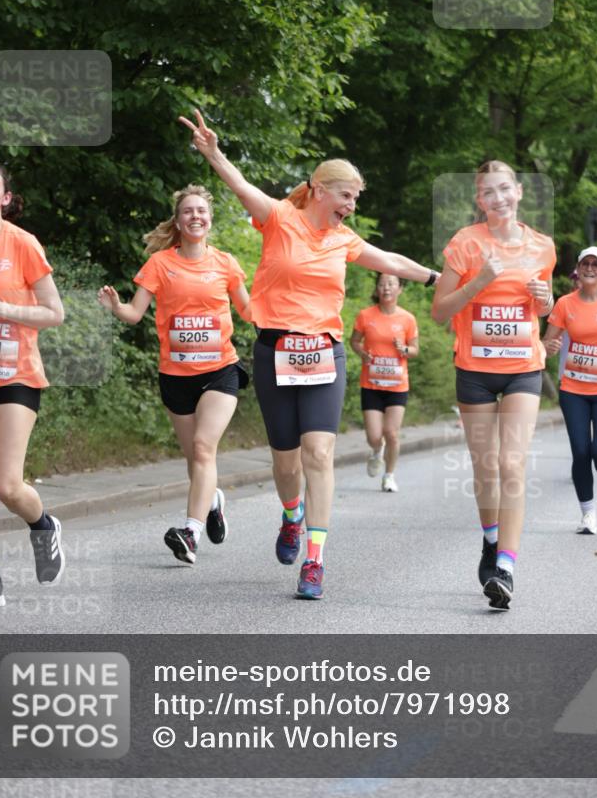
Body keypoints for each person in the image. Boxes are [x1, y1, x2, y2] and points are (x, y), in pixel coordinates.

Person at [179, 109, 439, 600]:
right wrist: (213, 153)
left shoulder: (343, 240)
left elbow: (389, 259)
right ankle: (291, 514)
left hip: (324, 353)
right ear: (320, 190)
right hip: (275, 351)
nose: (351, 206)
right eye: (346, 196)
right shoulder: (280, 218)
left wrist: (436, 278)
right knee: (286, 463)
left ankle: (315, 560)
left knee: (319, 452)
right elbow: (241, 187)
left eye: (356, 198)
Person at [98, 185, 249, 566]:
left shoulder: (226, 263)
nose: (195, 216)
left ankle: (190, 532)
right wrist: (116, 307)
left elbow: (250, 311)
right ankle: (212, 502)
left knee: (203, 447)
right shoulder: (160, 264)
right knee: (194, 457)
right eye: (188, 211)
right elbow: (135, 314)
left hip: (220, 370)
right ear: (178, 221)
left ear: (209, 219)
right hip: (176, 376)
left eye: (201, 210)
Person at [431, 160, 556, 610]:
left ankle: (505, 567)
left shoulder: (542, 246)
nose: (498, 198)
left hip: (523, 366)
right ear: (479, 200)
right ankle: (490, 540)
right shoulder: (465, 243)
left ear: (518, 192)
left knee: (511, 463)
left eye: (505, 189)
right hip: (475, 371)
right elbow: (439, 312)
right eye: (489, 192)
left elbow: (543, 308)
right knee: (485, 466)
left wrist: (546, 301)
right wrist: (479, 282)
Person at [0, 160, 65, 611]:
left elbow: (54, 313)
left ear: (5, 198)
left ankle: (43, 525)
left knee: (6, 485)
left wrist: (3, 309)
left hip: (15, 373)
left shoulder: (22, 244)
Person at [543, 246, 597, 534]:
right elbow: (547, 343)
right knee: (580, 453)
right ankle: (588, 515)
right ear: (578, 269)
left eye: (596, 264)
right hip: (574, 388)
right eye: (585, 263)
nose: (590, 268)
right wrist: (550, 347)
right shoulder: (565, 304)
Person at [350, 274, 419, 491]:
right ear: (377, 289)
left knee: (392, 433)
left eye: (391, 284)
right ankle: (376, 451)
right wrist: (363, 353)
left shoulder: (407, 319)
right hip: (371, 384)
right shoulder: (365, 315)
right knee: (374, 436)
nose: (386, 288)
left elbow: (415, 349)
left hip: (397, 385)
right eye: (382, 284)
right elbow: (354, 341)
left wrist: (404, 349)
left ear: (400, 289)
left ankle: (389, 476)